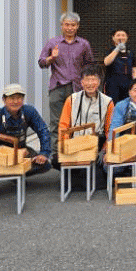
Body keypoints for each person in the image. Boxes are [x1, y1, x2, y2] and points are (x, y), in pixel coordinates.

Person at [0, 84, 51, 201]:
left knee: (45, 164)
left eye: (19, 98)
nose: (16, 101)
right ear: (4, 99)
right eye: (12, 98)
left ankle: (16, 174)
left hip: (20, 151)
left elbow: (43, 130)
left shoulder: (29, 111)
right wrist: (13, 154)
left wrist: (44, 153)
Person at [38, 11, 94, 160]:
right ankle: (56, 154)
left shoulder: (84, 44)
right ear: (62, 25)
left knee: (78, 120)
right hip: (57, 86)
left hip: (77, 87)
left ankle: (76, 151)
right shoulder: (53, 43)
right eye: (67, 25)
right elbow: (41, 62)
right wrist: (52, 58)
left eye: (73, 25)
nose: (70, 28)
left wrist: (86, 81)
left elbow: (89, 64)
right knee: (56, 122)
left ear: (78, 26)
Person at [58, 65, 114, 163]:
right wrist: (65, 145)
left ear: (99, 82)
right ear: (82, 82)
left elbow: (109, 129)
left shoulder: (108, 102)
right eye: (87, 80)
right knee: (56, 161)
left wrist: (105, 149)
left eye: (93, 80)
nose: (90, 83)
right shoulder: (72, 99)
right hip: (75, 142)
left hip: (96, 144)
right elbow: (63, 126)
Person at [103, 27, 136, 103]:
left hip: (128, 84)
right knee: (113, 105)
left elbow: (134, 70)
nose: (121, 37)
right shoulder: (109, 50)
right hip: (112, 85)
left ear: (127, 37)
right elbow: (106, 62)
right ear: (113, 38)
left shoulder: (130, 52)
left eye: (123, 35)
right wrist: (117, 49)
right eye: (118, 35)